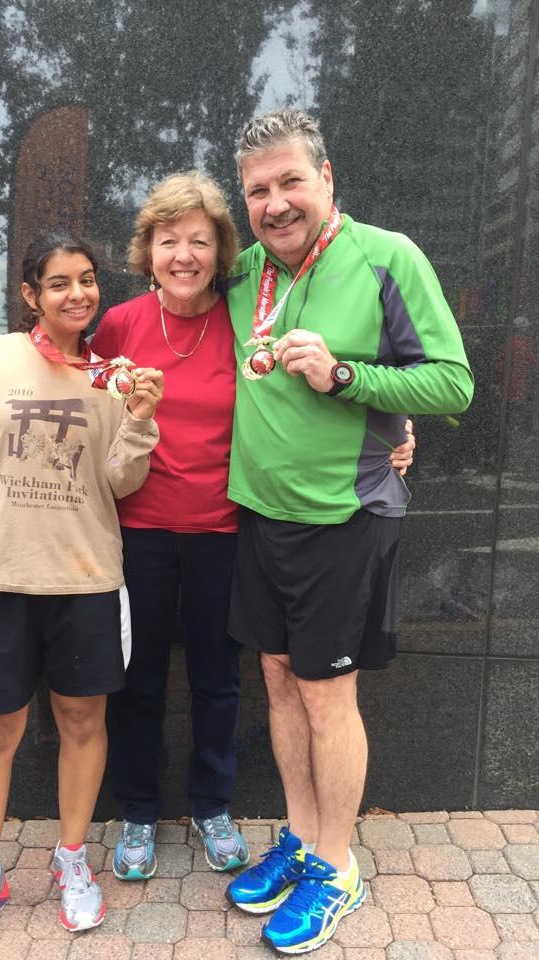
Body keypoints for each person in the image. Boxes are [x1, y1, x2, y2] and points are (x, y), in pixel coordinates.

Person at [0, 173, 415, 885]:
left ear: (220, 249)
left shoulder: (248, 318)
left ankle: (212, 804)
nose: (185, 254)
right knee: (135, 680)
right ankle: (138, 808)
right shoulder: (120, 325)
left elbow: (313, 390)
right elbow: (55, 360)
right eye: (170, 240)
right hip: (134, 531)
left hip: (225, 528)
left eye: (200, 240)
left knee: (217, 679)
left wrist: (394, 430)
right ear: (149, 249)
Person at [223, 109, 473, 955]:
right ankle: (300, 838)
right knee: (280, 678)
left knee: (328, 695)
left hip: (345, 515)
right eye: (258, 189)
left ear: (327, 180)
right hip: (261, 513)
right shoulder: (243, 270)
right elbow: (150, 304)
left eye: (292, 180)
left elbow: (453, 384)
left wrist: (344, 377)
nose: (276, 201)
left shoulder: (386, 256)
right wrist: (0, 355)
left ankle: (339, 866)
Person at [0, 233, 162, 958]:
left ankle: (70, 861)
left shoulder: (114, 377)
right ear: (31, 294)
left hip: (87, 579)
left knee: (84, 725)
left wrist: (143, 419)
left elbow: (121, 482)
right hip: (1, 578)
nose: (77, 295)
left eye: (88, 281)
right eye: (58, 283)